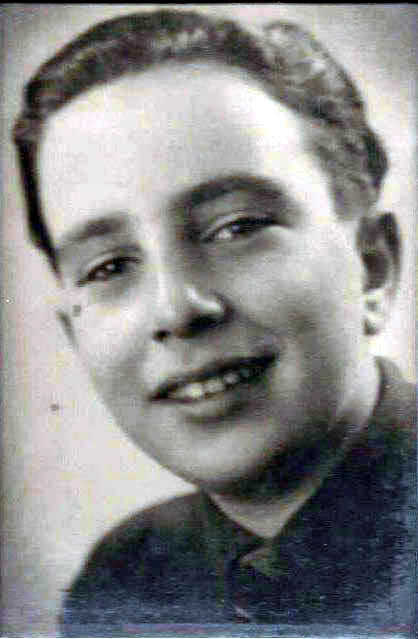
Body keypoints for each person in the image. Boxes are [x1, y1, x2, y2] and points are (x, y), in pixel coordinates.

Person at [13, 9, 415, 636]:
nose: (176, 309)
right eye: (109, 266)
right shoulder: (126, 581)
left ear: (372, 265)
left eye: (237, 228)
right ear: (75, 335)